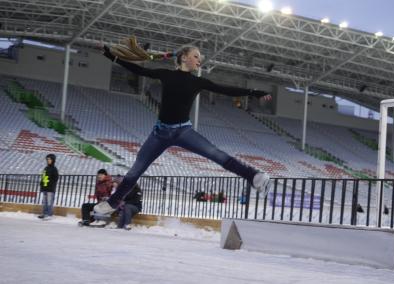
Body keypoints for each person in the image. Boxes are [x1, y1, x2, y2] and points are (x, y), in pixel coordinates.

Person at [95, 44, 273, 216]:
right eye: (196, 56)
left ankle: (254, 177)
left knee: (215, 153)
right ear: (184, 57)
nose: (199, 60)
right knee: (135, 170)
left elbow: (225, 89)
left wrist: (253, 92)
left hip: (183, 131)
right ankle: (112, 203)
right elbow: (138, 70)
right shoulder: (166, 75)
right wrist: (110, 55)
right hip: (160, 133)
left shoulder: (198, 82)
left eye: (199, 57)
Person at [38, 154, 59, 220]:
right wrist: (41, 184)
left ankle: (49, 214)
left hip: (50, 188)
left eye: (49, 159)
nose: (48, 160)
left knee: (49, 202)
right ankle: (44, 213)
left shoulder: (54, 169)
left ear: (53, 160)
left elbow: (56, 178)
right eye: (47, 159)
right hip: (44, 187)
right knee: (44, 202)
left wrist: (50, 183)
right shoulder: (46, 168)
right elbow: (43, 177)